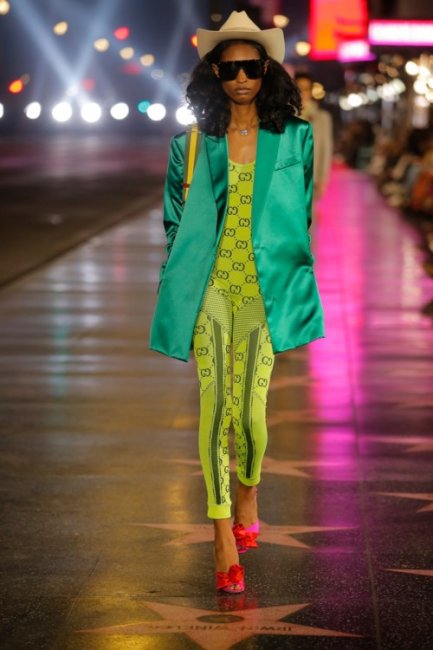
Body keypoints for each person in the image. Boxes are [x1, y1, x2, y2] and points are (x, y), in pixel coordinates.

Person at [149, 11, 325, 594]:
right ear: (214, 76)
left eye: (251, 67)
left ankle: (249, 488)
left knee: (250, 414)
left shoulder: (295, 137)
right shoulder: (191, 144)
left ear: (267, 70)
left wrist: (293, 275)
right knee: (214, 407)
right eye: (230, 69)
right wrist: (180, 282)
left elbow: (301, 213)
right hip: (210, 292)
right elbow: (174, 223)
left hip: (263, 293)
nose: (241, 78)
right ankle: (222, 531)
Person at [295, 72, 333, 200]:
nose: (302, 92)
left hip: (313, 175)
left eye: (306, 88)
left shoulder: (323, 118)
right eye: (299, 88)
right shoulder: (286, 115)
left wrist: (323, 179)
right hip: (290, 175)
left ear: (311, 91)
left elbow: (325, 149)